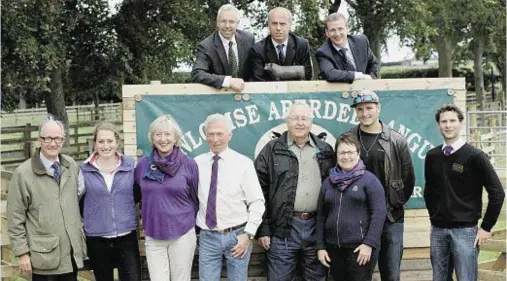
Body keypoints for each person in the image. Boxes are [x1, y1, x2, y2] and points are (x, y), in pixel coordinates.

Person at [254, 102, 335, 281]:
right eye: (295, 118)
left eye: (304, 118)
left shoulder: (325, 150)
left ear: (311, 122)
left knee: (317, 278)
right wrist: (263, 229)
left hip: (317, 227)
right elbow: (257, 192)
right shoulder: (271, 150)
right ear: (287, 121)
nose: (300, 123)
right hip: (282, 228)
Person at [424, 104, 505, 281]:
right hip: (438, 231)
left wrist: (486, 227)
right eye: (443, 121)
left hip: (465, 232)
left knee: (466, 278)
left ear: (461, 123)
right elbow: (429, 191)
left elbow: (497, 193)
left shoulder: (475, 157)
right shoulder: (432, 156)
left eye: (453, 120)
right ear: (438, 125)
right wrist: (434, 218)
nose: (448, 125)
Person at [7, 116, 86, 281]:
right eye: (47, 138)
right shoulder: (23, 173)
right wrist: (22, 253)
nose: (52, 143)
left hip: (70, 256)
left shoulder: (71, 166)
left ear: (63, 140)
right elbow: (15, 218)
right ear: (39, 140)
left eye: (57, 138)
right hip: (44, 258)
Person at [347, 90, 415, 281]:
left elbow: (408, 180)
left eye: (369, 108)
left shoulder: (397, 140)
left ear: (378, 108)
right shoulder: (348, 138)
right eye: (360, 109)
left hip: (390, 218)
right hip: (359, 218)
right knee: (360, 274)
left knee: (391, 274)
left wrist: (393, 204)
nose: (364, 113)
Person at [195, 113, 265, 281]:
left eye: (220, 133)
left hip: (238, 236)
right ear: (206, 136)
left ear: (229, 135)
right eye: (211, 134)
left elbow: (257, 202)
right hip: (207, 236)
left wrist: (248, 234)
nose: (215, 138)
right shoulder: (196, 164)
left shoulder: (243, 164)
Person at [134, 115, 199, 281]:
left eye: (168, 134)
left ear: (175, 137)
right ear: (152, 137)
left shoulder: (189, 164)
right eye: (158, 134)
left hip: (182, 233)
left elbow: (196, 197)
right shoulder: (142, 165)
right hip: (153, 234)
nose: (163, 139)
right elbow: (137, 195)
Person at [316, 133, 386, 281]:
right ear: (337, 155)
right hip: (333, 249)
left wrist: (369, 244)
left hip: (359, 249)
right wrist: (320, 247)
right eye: (342, 152)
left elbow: (379, 214)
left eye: (350, 152)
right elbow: (321, 217)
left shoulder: (370, 180)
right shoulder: (328, 182)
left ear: (358, 154)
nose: (346, 156)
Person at [78, 122, 141, 281]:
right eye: (101, 141)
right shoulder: (84, 169)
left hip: (127, 237)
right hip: (97, 239)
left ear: (117, 142)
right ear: (94, 143)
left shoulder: (130, 165)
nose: (106, 145)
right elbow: (77, 201)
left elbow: (137, 193)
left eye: (110, 141)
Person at [191, 4, 255, 92]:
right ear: (217, 23)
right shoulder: (206, 46)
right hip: (219, 98)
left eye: (231, 22)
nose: (227, 26)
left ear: (237, 23)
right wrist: (227, 81)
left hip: (245, 96)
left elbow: (254, 69)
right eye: (223, 21)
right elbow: (197, 74)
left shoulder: (248, 39)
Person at [249, 7, 313, 81]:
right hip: (270, 91)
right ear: (268, 26)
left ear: (290, 25)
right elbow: (259, 80)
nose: (278, 28)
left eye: (282, 24)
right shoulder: (257, 50)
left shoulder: (302, 45)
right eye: (274, 24)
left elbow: (307, 76)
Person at [316, 13, 379, 83]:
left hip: (365, 90)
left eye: (340, 29)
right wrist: (359, 76)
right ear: (327, 32)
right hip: (338, 92)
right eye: (332, 30)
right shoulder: (323, 52)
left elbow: (373, 64)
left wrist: (369, 80)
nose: (337, 34)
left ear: (347, 28)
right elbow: (329, 73)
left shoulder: (361, 42)